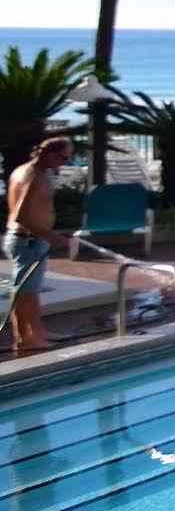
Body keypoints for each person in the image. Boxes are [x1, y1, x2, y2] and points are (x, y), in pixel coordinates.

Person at [5, 137, 72, 352]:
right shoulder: (34, 176)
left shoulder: (23, 170)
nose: (65, 162)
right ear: (50, 154)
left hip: (32, 239)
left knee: (30, 290)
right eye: (64, 157)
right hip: (27, 240)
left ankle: (36, 331)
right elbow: (21, 216)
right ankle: (24, 338)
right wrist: (51, 238)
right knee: (25, 290)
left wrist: (52, 233)